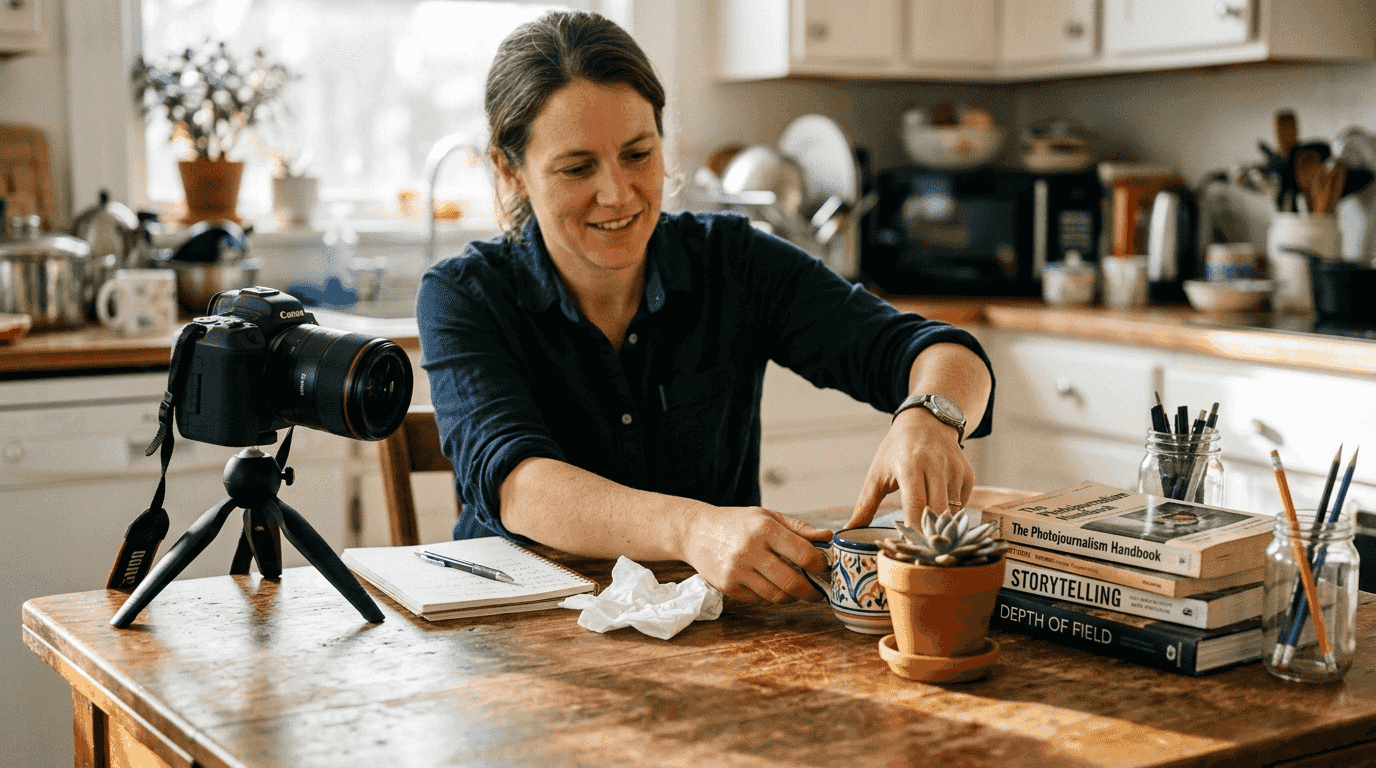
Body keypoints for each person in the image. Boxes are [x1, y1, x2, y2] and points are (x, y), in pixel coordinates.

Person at [415, 10, 994, 605]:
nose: (617, 192)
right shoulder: (462, 296)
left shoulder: (733, 260)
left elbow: (938, 350)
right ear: (510, 172)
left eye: (638, 154)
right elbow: (520, 487)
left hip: (718, 633)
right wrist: (692, 529)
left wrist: (932, 417)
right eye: (577, 167)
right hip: (522, 638)